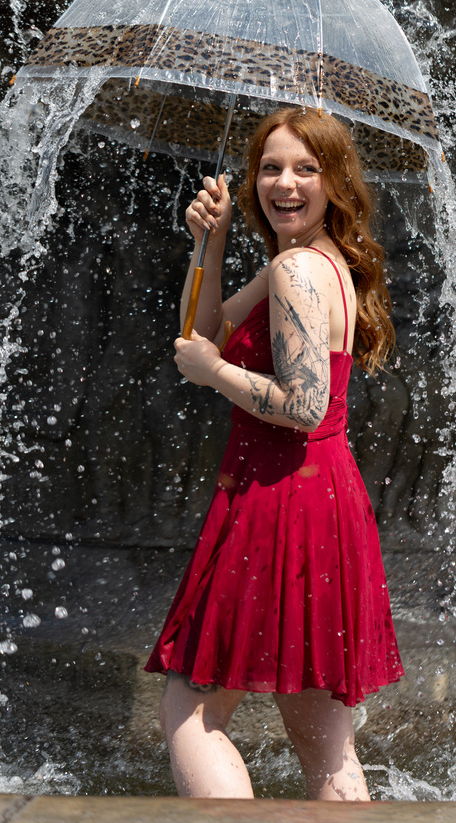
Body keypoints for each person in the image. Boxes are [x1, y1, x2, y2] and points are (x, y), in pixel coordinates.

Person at [144, 105, 404, 800]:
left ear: (336, 182)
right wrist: (209, 242)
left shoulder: (295, 271)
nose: (283, 182)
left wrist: (215, 376)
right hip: (327, 500)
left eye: (304, 168)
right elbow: (203, 331)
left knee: (191, 709)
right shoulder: (315, 262)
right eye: (269, 168)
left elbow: (301, 405)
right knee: (323, 739)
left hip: (277, 499)